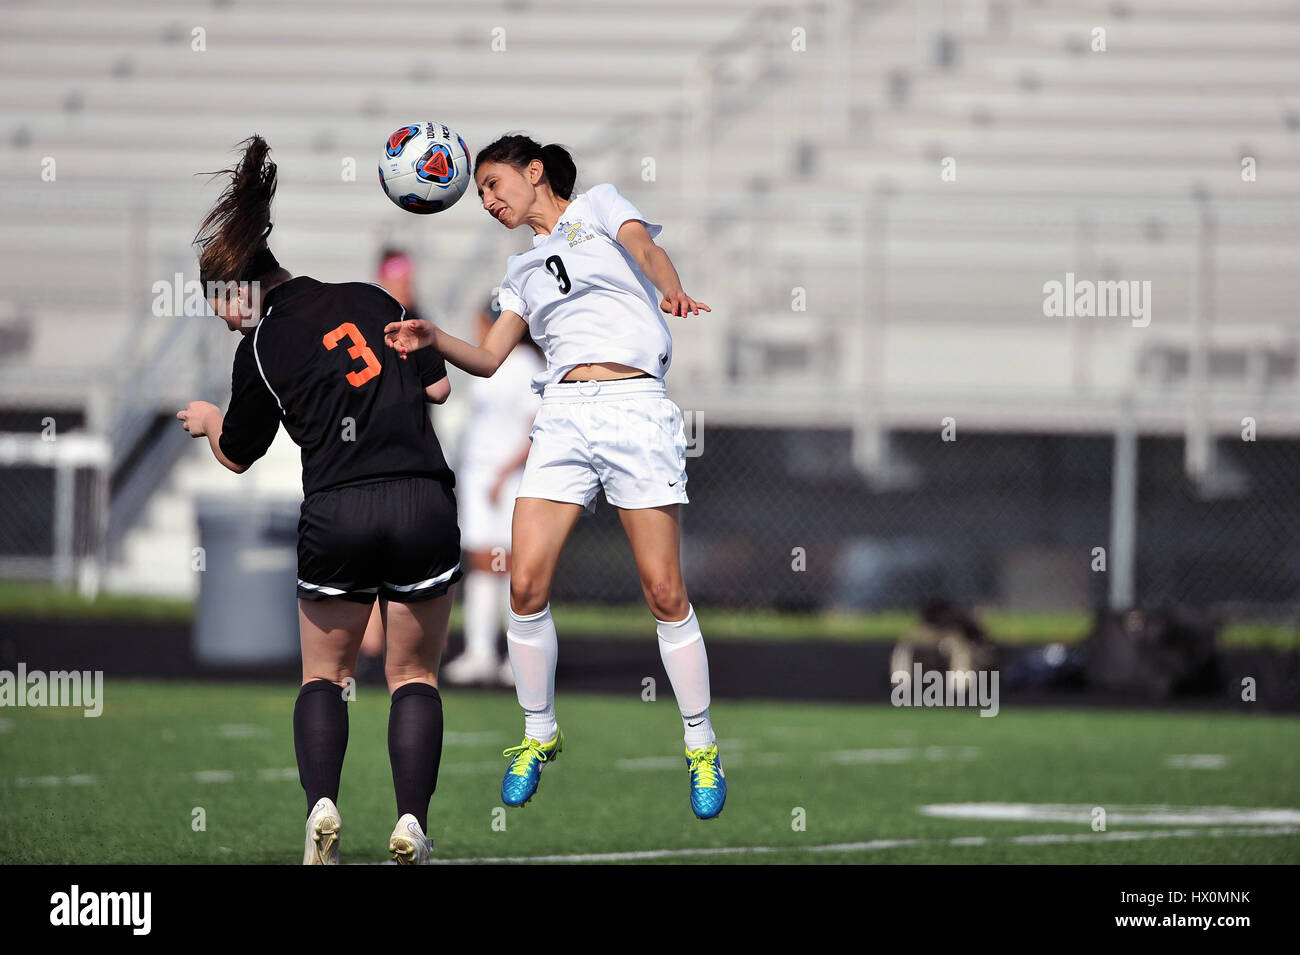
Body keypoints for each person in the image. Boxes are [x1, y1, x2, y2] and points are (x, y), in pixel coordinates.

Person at [385, 134, 726, 820]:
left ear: (534, 171)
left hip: (634, 407)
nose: (486, 199)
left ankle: (700, 743)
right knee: (526, 580)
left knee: (663, 589)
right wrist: (433, 340)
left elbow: (645, 247)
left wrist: (671, 288)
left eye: (492, 183)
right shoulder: (520, 270)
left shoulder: (599, 205)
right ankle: (538, 732)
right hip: (563, 411)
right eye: (478, 192)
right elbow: (486, 359)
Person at [176, 135, 462, 864]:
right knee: (414, 676)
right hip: (421, 498)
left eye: (220, 305)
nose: (223, 319)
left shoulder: (264, 347)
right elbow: (438, 386)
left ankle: (323, 808)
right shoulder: (372, 297)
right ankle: (411, 824)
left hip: (338, 508)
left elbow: (238, 456)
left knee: (326, 676)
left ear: (238, 291)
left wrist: (211, 420)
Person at [441, 293, 545, 686]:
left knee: (511, 566)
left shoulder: (525, 365)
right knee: (484, 563)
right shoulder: (491, 365)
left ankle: (515, 657)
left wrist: (504, 474)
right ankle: (481, 652)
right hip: (480, 480)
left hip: (508, 481)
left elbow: (535, 429)